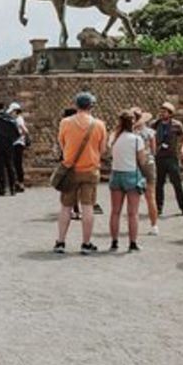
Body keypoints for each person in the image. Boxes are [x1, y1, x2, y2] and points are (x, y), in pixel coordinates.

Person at [54, 92, 106, 255]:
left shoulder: (65, 123)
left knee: (66, 207)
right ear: (92, 106)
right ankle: (86, 243)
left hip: (70, 169)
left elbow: (62, 144)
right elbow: (102, 149)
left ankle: (61, 242)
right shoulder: (99, 125)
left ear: (76, 105)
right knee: (88, 207)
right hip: (90, 170)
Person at [107, 111, 146, 252]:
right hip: (131, 174)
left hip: (116, 173)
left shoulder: (114, 137)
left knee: (115, 211)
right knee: (133, 213)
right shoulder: (136, 139)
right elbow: (142, 160)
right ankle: (132, 243)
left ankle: (114, 242)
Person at [153, 102, 183, 217]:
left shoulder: (176, 125)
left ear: (170, 113)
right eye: (161, 111)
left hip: (171, 157)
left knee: (177, 183)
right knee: (159, 183)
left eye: (164, 112)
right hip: (159, 157)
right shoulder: (155, 124)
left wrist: (182, 149)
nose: (161, 114)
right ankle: (158, 208)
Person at [10, 103, 29, 192]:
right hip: (18, 143)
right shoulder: (18, 119)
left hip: (18, 144)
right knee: (16, 164)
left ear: (15, 111)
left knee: (17, 164)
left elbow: (25, 130)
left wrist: (18, 136)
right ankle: (19, 182)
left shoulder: (18, 120)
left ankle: (20, 183)